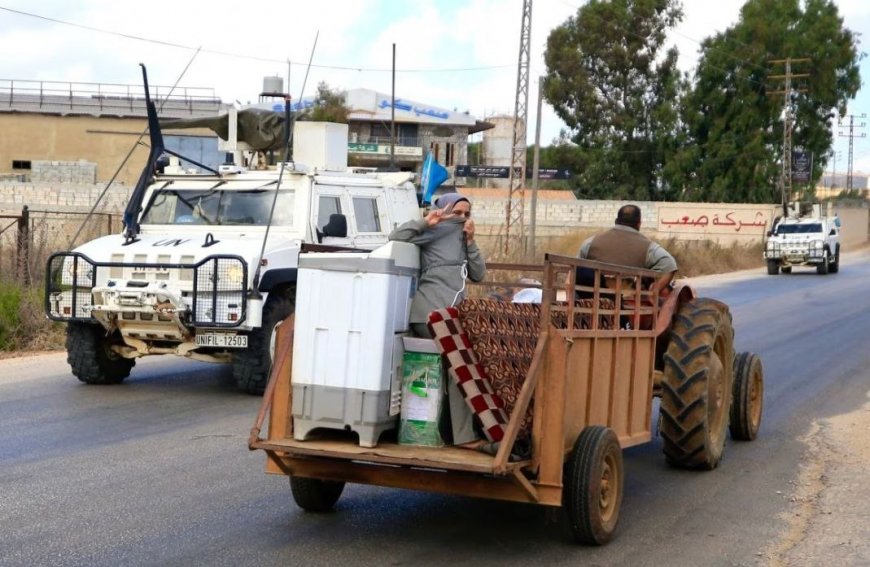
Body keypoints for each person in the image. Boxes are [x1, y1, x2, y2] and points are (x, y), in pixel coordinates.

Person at [389, 192, 487, 447]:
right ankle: (464, 437)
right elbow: (395, 237)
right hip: (429, 314)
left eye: (466, 214)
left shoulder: (462, 237)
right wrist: (425, 222)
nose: (462, 218)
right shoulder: (436, 229)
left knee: (459, 367)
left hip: (450, 316)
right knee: (460, 367)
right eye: (456, 213)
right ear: (442, 211)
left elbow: (479, 274)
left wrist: (471, 241)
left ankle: (447, 431)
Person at [578, 204, 677, 296]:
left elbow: (575, 271)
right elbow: (671, 265)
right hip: (627, 302)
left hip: (591, 300)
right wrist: (655, 291)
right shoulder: (649, 248)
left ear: (616, 221)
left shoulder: (590, 243)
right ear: (639, 224)